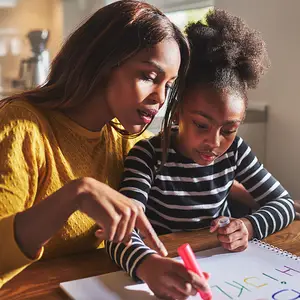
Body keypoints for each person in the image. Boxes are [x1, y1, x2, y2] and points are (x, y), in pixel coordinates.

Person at [0, 0, 192, 288]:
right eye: (149, 76)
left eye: (169, 85)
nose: (160, 98)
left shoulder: (127, 141)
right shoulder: (21, 125)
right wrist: (75, 194)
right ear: (101, 64)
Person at [106, 9, 296, 300]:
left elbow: (283, 204)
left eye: (229, 129)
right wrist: (146, 263)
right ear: (179, 109)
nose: (214, 142)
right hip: (166, 269)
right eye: (201, 125)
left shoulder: (235, 152)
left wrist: (248, 225)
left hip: (224, 269)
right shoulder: (148, 156)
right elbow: (121, 231)